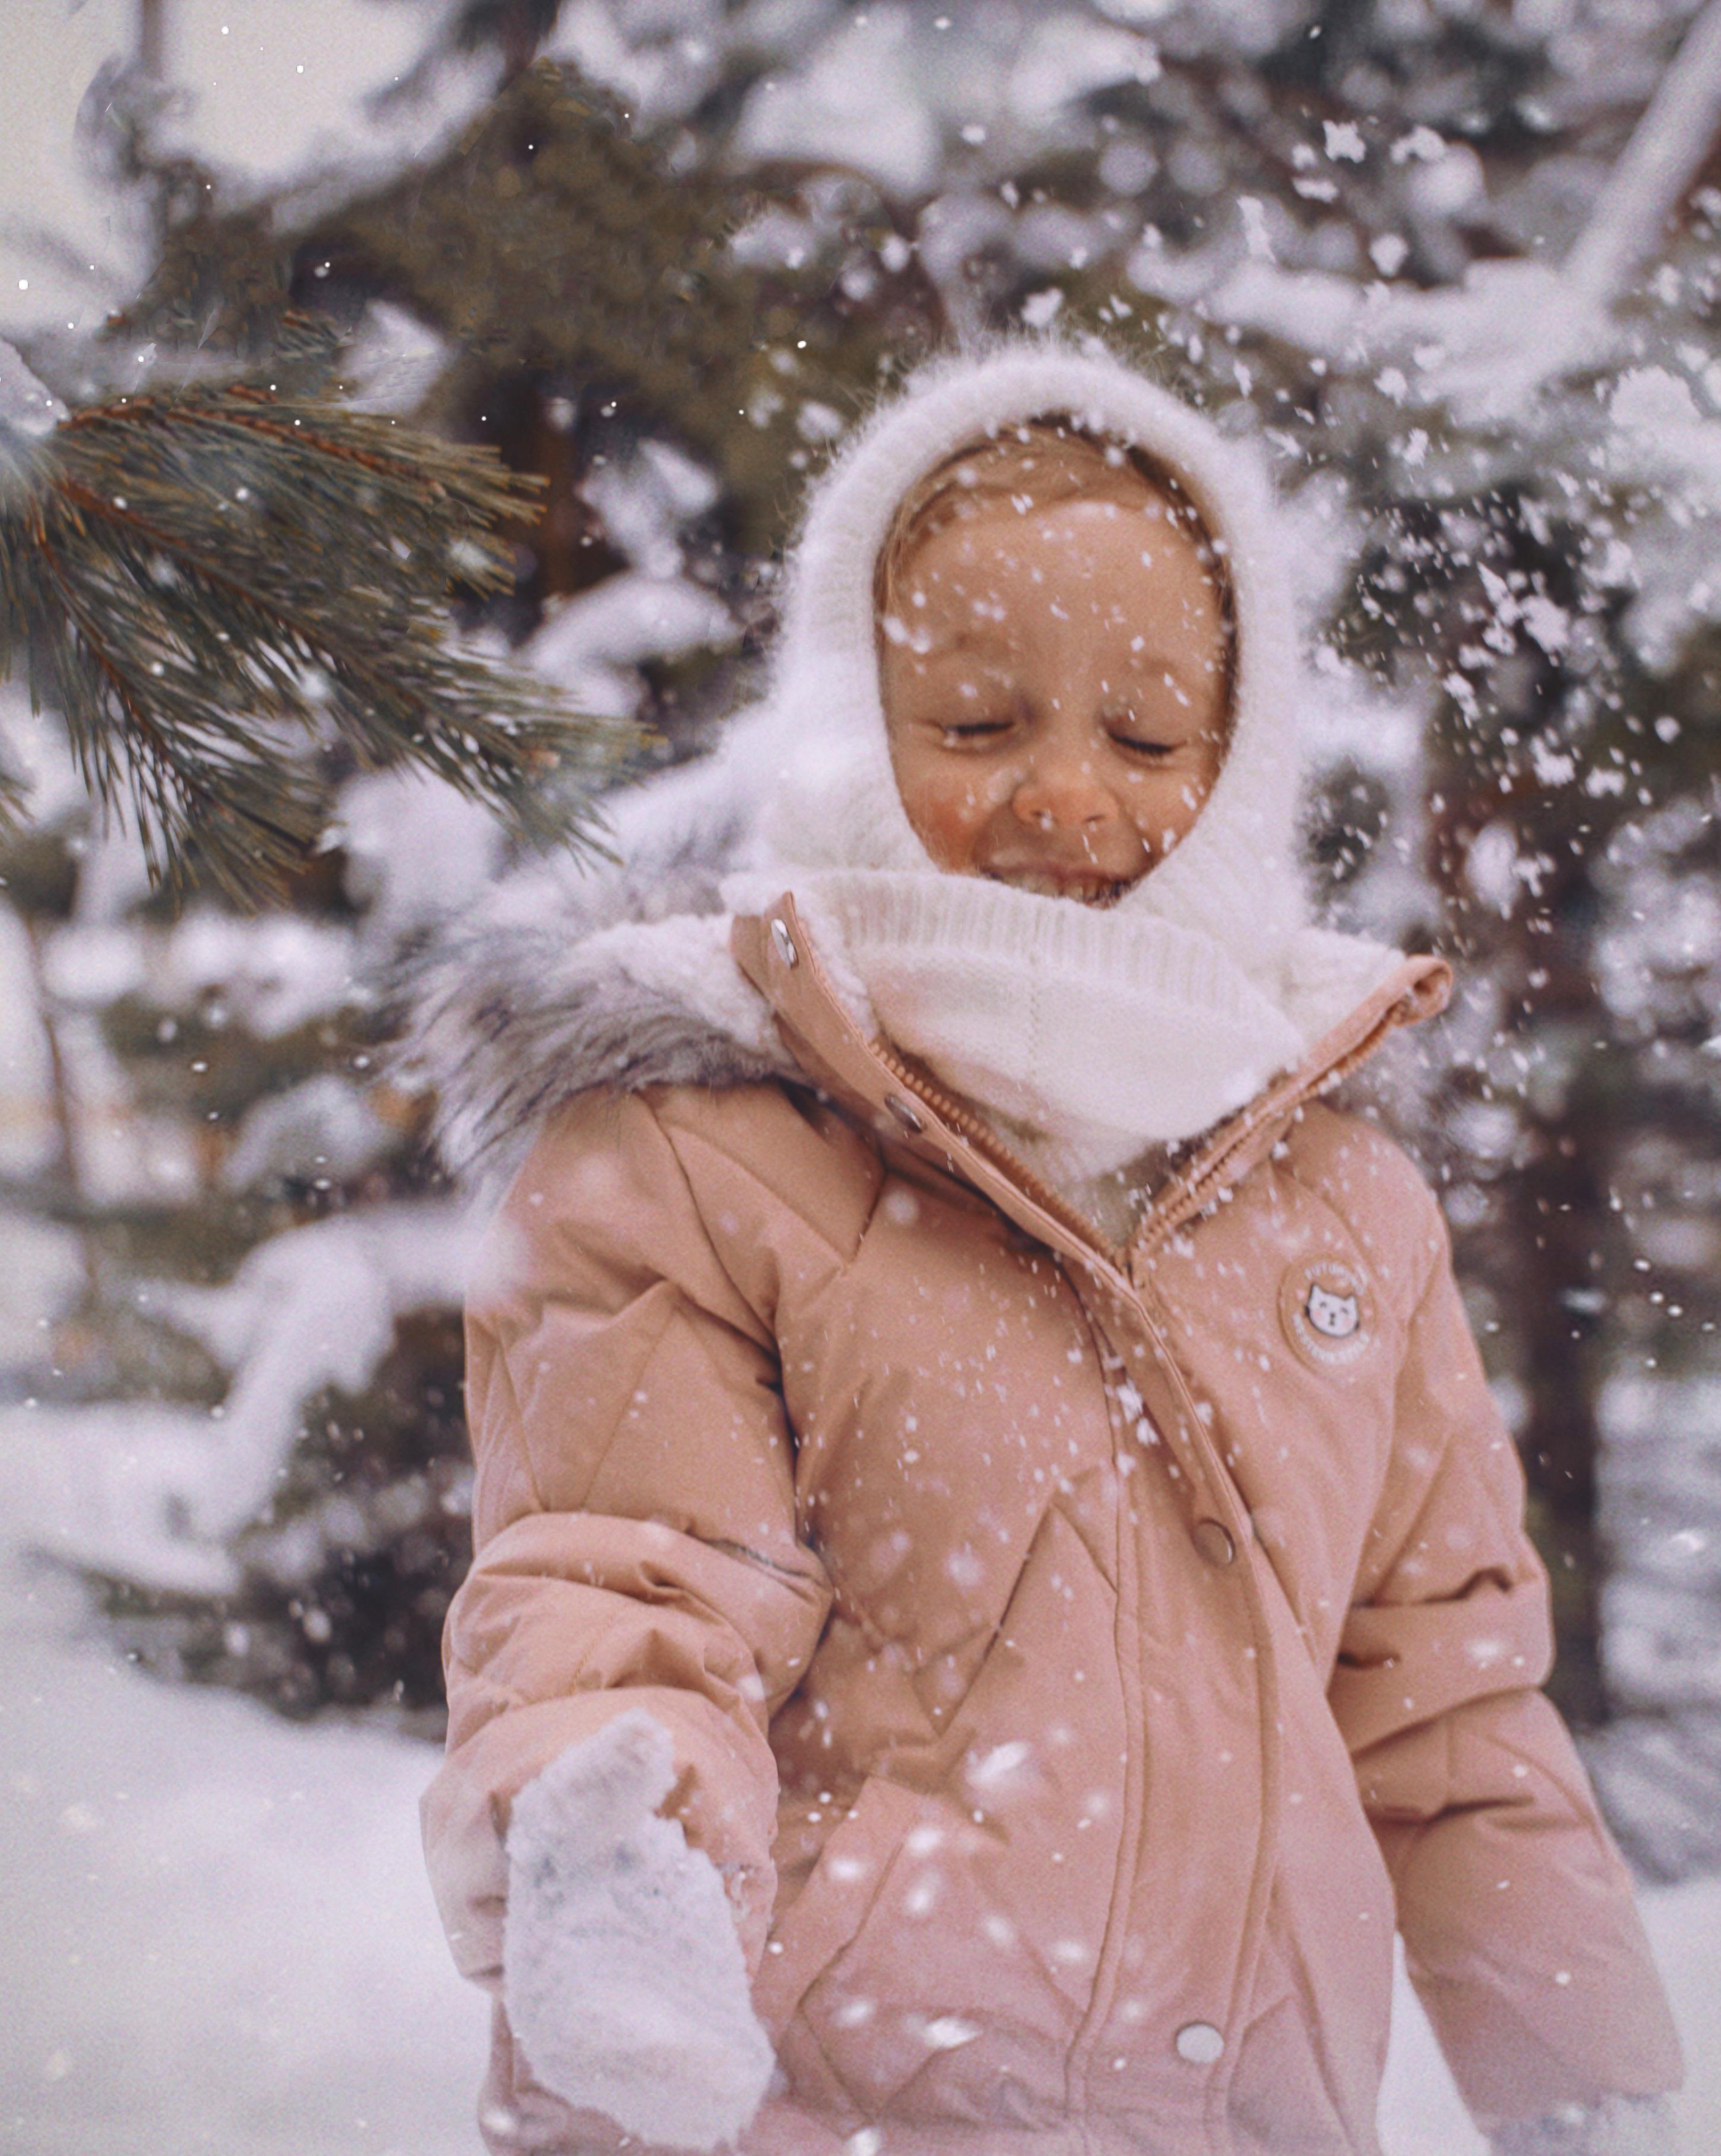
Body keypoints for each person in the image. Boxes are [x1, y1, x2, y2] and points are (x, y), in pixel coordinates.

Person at [414, 342, 1682, 2156]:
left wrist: (1591, 2088)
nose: (1072, 799)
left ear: (1239, 765)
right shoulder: (692, 1156)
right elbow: (628, 1588)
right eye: (980, 723)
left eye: (1151, 735)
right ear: (853, 722)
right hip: (798, 2112)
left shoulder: (1345, 1210)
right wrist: (621, 1863)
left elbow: (1454, 1710)